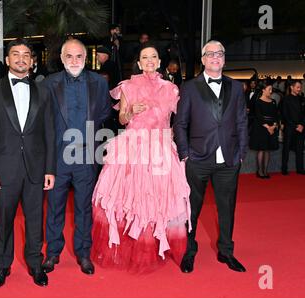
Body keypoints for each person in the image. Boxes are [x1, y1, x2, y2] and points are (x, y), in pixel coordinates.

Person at [91, 43, 191, 273]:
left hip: (161, 148)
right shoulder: (128, 86)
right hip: (133, 148)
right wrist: (131, 111)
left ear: (159, 61)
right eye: (145, 57)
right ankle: (133, 247)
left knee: (160, 199)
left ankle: (158, 246)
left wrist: (174, 145)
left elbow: (177, 122)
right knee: (132, 199)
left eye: (153, 56)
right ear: (138, 63)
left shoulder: (171, 89)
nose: (149, 60)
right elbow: (123, 120)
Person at [0, 38, 56, 288]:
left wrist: (50, 169)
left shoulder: (44, 91)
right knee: (4, 220)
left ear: (32, 61)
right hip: (3, 168)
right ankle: (2, 266)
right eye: (15, 54)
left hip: (35, 167)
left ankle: (35, 264)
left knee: (35, 219)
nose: (21, 58)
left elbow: (50, 134)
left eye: (26, 54)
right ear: (8, 59)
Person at [173, 40, 248, 273]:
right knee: (191, 209)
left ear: (224, 59)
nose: (215, 57)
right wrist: (185, 154)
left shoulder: (236, 87)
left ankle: (226, 252)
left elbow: (242, 122)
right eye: (210, 54)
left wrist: (241, 154)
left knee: (227, 208)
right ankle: (189, 251)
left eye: (220, 54)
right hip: (197, 159)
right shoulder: (189, 87)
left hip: (228, 160)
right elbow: (180, 123)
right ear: (203, 59)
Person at [41, 39, 111, 276]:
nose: (74, 61)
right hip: (57, 157)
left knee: (84, 208)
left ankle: (83, 253)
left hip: (86, 156)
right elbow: (42, 120)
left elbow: (103, 113)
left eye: (78, 56)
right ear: (61, 59)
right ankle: (52, 253)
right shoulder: (49, 84)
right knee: (54, 207)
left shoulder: (99, 84)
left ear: (86, 58)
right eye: (69, 56)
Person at [249, 80, 279, 178]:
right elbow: (258, 116)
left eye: (271, 89)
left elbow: (276, 115)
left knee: (267, 150)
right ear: (263, 90)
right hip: (261, 127)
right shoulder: (258, 102)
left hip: (271, 127)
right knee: (261, 149)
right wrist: (267, 127)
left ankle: (265, 171)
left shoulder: (273, 102)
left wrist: (273, 126)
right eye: (269, 89)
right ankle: (260, 171)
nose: (271, 91)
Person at [281, 80, 305, 175]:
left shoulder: (302, 99)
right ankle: (284, 169)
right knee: (286, 148)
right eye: (298, 87)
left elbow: (304, 114)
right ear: (292, 87)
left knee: (300, 149)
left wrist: (302, 124)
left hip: (301, 128)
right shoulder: (285, 99)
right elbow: (285, 115)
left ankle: (300, 169)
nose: (299, 89)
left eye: (300, 87)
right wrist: (295, 126)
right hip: (290, 128)